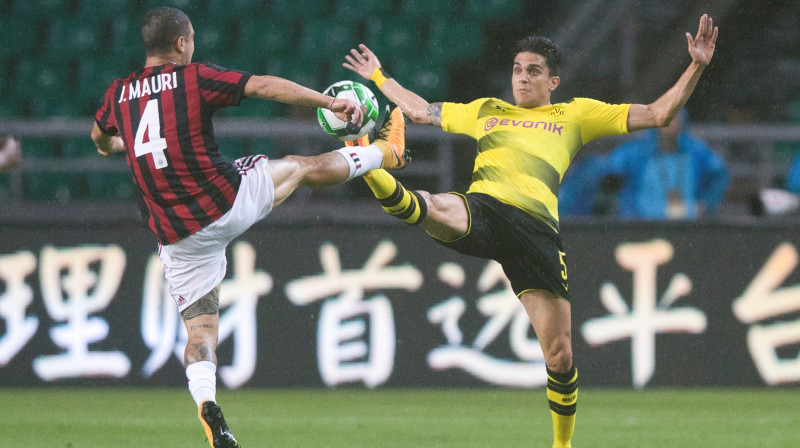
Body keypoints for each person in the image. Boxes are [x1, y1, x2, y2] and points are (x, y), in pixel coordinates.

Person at [344, 14, 718, 448]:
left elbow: (658, 113)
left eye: (533, 71)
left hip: (536, 231)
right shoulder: (487, 110)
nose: (522, 79)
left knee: (559, 356)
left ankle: (562, 445)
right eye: (517, 70)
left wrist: (696, 65)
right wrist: (377, 74)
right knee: (431, 206)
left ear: (553, 82)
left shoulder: (576, 115)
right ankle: (370, 161)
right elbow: (418, 109)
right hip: (484, 208)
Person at [90, 7, 407, 448]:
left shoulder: (118, 94)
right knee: (301, 166)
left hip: (178, 239)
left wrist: (119, 144)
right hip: (225, 203)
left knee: (200, 335)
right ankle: (386, 153)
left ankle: (208, 406)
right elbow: (262, 86)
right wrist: (328, 101)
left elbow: (100, 139)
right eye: (192, 38)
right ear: (182, 43)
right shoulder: (193, 77)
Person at [606, 109, 729, 219]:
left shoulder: (696, 151)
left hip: (688, 224)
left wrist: (706, 204)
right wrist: (627, 208)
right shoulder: (638, 151)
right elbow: (608, 168)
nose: (670, 124)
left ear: (683, 122)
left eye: (675, 119)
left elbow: (720, 174)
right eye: (666, 118)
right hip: (644, 225)